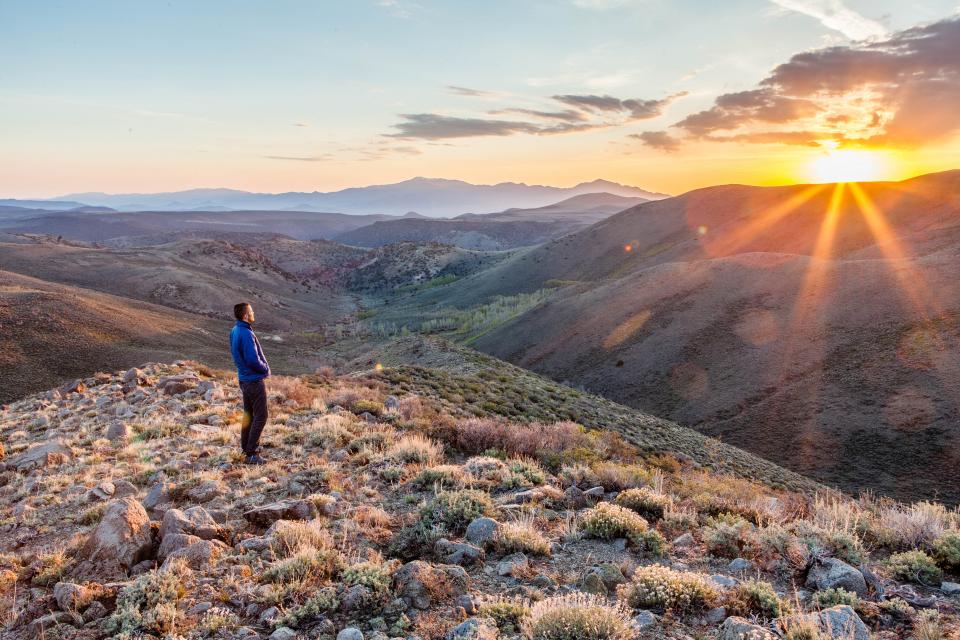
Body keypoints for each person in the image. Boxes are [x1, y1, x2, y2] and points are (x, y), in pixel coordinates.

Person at [230, 302, 270, 464]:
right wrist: (264, 368)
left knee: (249, 415)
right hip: (253, 380)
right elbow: (252, 359)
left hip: (244, 378)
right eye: (251, 311)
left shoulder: (235, 330)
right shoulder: (245, 333)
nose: (253, 313)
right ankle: (252, 453)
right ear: (245, 315)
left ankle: (246, 449)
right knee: (261, 415)